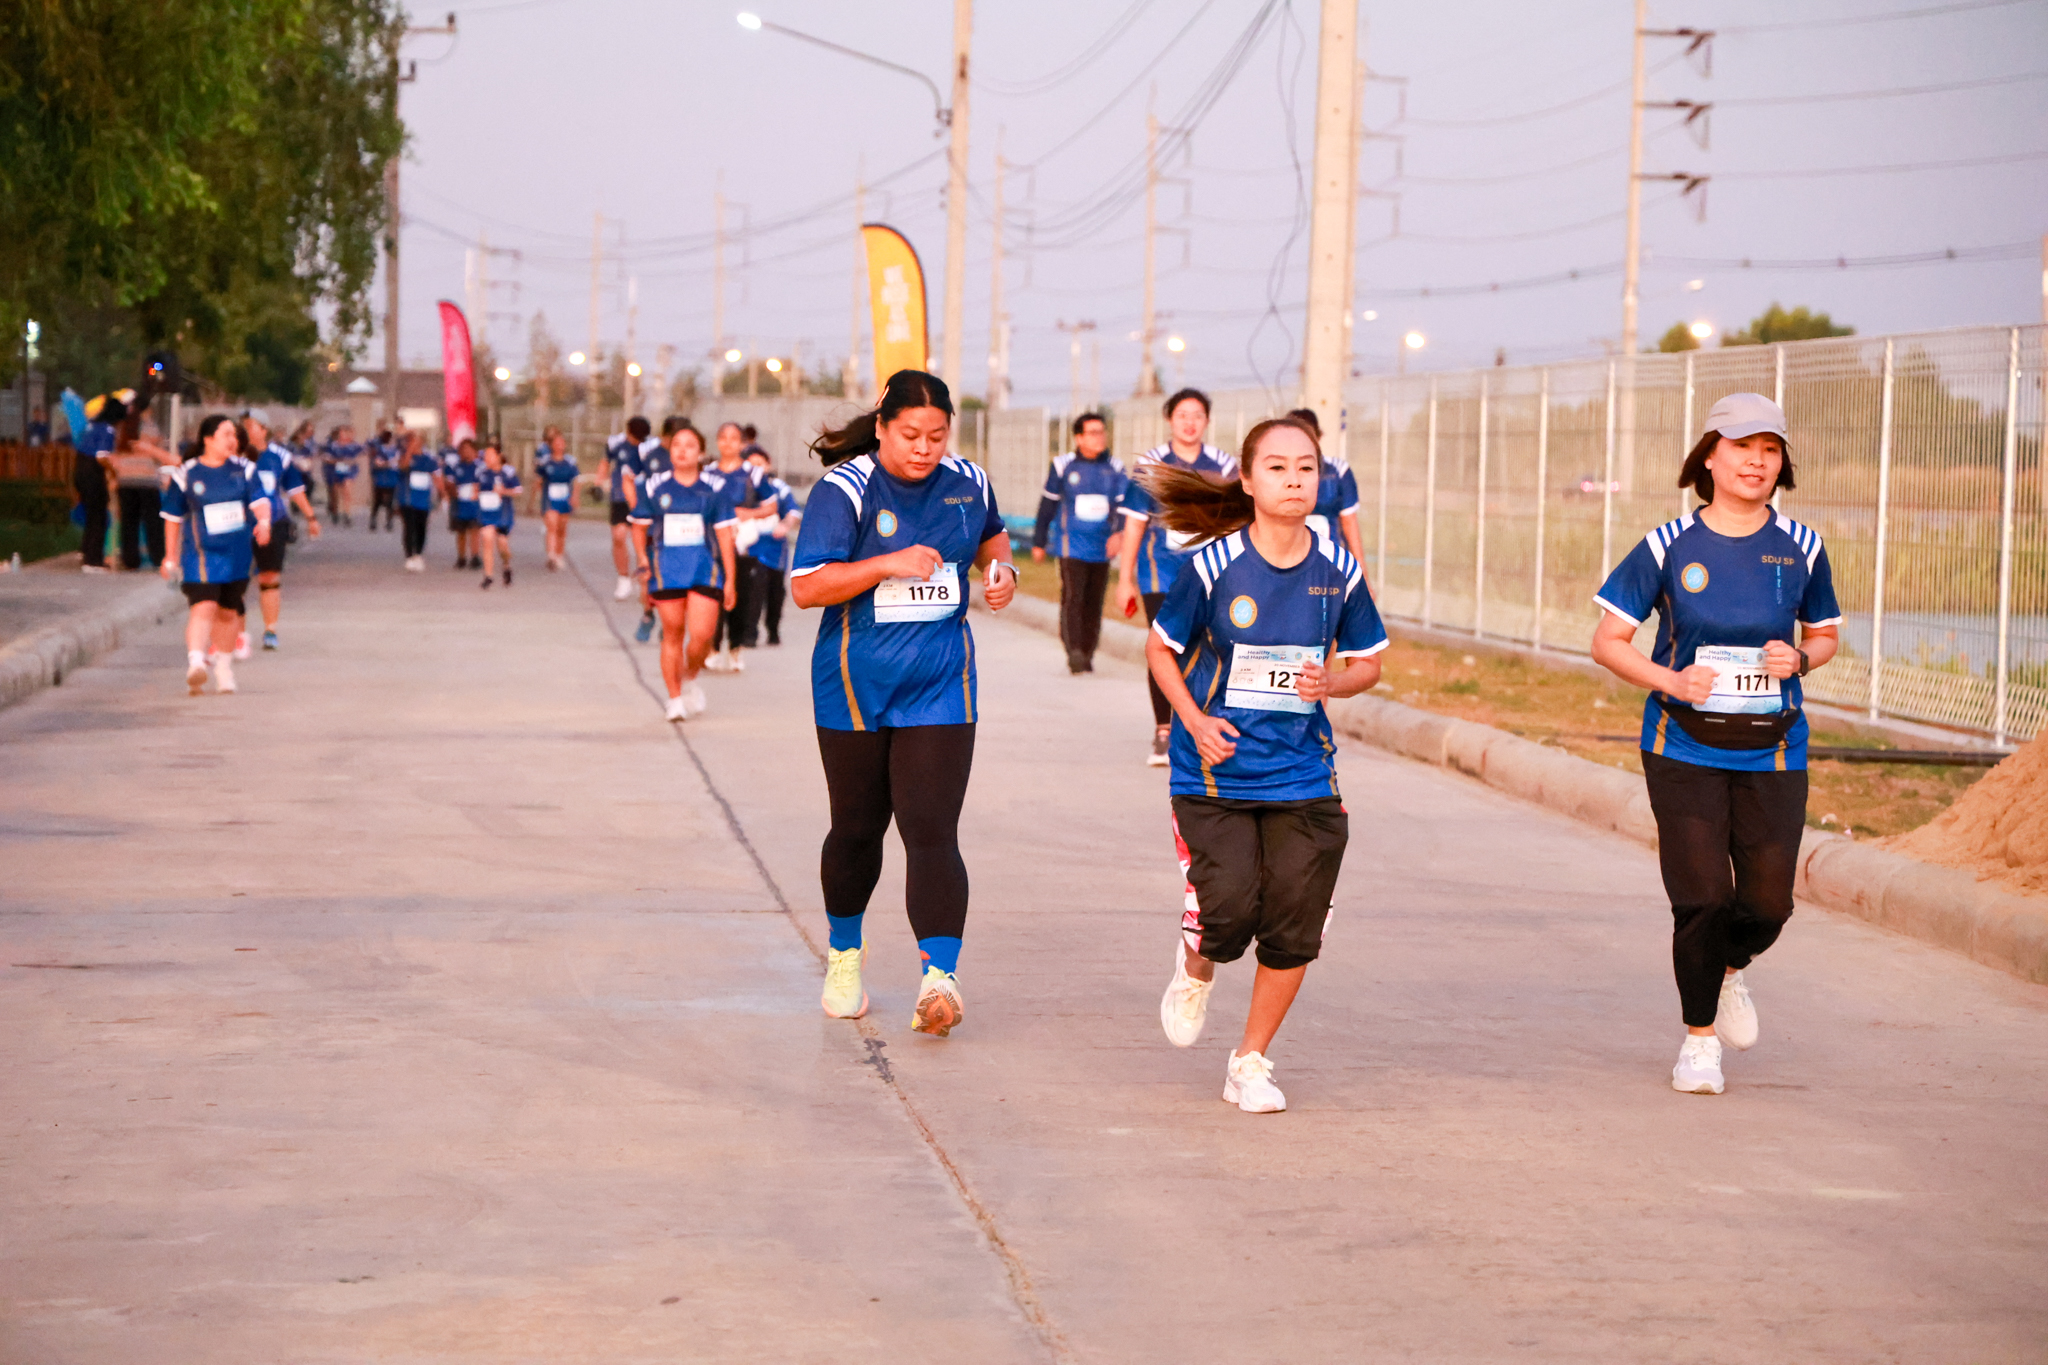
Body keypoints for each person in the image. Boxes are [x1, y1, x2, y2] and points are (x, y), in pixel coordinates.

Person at [1590, 393, 1841, 1097]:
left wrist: (1803, 658)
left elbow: (1823, 633)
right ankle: (1699, 1041)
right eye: (1741, 446)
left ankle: (1731, 969)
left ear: (1782, 462)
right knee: (1702, 897)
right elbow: (1609, 641)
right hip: (1683, 746)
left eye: (1770, 449)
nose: (1756, 461)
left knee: (1766, 906)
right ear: (1709, 456)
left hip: (1774, 750)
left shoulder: (1803, 546)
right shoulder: (1668, 545)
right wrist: (1671, 679)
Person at [1143, 416, 1388, 1114]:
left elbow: (1368, 662)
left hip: (1303, 771)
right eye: (1277, 468)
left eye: (1306, 468)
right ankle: (1197, 963)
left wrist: (1333, 682)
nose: (1294, 480)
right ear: (1248, 481)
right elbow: (1160, 650)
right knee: (1228, 914)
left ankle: (1249, 1060)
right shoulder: (1212, 566)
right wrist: (1193, 721)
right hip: (1215, 770)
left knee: (1296, 918)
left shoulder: (1338, 569)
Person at [790, 369, 1016, 1038]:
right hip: (855, 683)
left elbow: (993, 537)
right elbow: (807, 587)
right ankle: (844, 955)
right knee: (858, 828)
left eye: (937, 436)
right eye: (911, 434)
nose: (924, 448)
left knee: (932, 828)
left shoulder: (968, 482)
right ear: (882, 427)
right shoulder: (846, 489)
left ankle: (939, 979)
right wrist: (886, 563)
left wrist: (1001, 572)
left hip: (941, 683)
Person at [1116, 388, 1237, 765]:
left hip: (1210, 574)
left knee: (1208, 649)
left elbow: (1234, 521)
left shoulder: (1223, 466)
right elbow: (1134, 524)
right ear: (1170, 419)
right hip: (1160, 574)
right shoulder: (1150, 465)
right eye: (1182, 415)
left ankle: (1203, 727)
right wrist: (1124, 579)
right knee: (1164, 647)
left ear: (1207, 421)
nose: (1189, 422)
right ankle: (1164, 731)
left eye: (1197, 415)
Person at [630, 422, 740, 721]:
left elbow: (724, 534)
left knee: (702, 636)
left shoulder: (714, 488)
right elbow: (639, 527)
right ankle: (675, 699)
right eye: (677, 445)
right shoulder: (654, 486)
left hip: (705, 570)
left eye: (690, 446)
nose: (682, 451)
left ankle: (690, 676)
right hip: (666, 571)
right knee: (673, 632)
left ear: (701, 452)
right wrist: (642, 559)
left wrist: (731, 579)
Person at [160, 415, 272, 695]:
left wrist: (264, 522)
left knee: (228, 613)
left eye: (234, 435)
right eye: (226, 434)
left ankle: (223, 666)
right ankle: (196, 662)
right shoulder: (187, 473)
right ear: (208, 439)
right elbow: (172, 517)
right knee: (203, 606)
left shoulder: (245, 470)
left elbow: (260, 501)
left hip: (236, 553)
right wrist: (170, 556)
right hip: (201, 554)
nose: (232, 440)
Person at [1031, 412, 1127, 673]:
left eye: (1102, 432)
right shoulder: (1063, 466)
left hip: (1102, 547)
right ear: (1079, 438)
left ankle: (1088, 651)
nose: (1099, 438)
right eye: (1093, 433)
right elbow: (1047, 505)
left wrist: (1119, 534)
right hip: (1071, 545)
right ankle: (1074, 650)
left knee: (1094, 601)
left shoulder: (1115, 468)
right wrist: (1039, 541)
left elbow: (1123, 506)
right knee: (1073, 597)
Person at [244, 407, 323, 649]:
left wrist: (311, 517)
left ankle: (270, 629)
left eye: (250, 427)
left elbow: (294, 488)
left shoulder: (279, 456)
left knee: (269, 576)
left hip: (274, 522)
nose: (245, 431)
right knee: (236, 579)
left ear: (263, 429)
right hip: (239, 524)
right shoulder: (232, 455)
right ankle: (235, 633)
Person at [702, 421, 772, 673]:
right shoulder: (707, 474)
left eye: (734, 438)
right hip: (713, 547)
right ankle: (711, 649)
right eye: (723, 437)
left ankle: (735, 649)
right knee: (713, 597)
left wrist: (749, 513)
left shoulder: (753, 474)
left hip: (743, 548)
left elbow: (771, 505)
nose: (728, 443)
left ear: (742, 443)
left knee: (740, 599)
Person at [1286, 407, 1367, 564]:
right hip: (1286, 562)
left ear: (1318, 436)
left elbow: (1349, 521)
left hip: (1330, 563)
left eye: (1307, 437)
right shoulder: (1275, 474)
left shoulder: (1337, 471)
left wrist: (1361, 570)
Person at [740, 446, 800, 646]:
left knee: (775, 593)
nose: (756, 469)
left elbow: (792, 511)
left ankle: (773, 628)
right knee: (753, 590)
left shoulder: (778, 487)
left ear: (768, 464)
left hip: (774, 548)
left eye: (760, 464)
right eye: (751, 465)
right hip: (751, 548)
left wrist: (785, 525)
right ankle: (749, 632)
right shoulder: (741, 487)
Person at [110, 411, 177, 572]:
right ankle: (158, 557)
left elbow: (114, 452)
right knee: (153, 522)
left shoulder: (121, 427)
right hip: (147, 480)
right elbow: (159, 451)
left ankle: (130, 560)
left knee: (128, 522)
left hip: (126, 480)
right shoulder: (150, 427)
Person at [73, 390, 126, 573]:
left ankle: (86, 552)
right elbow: (101, 456)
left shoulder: (92, 425)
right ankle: (93, 560)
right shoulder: (108, 430)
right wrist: (113, 471)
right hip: (92, 473)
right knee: (99, 516)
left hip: (80, 469)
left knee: (91, 514)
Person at [606, 418, 651, 600]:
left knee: (643, 541)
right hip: (620, 497)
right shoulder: (616, 444)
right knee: (618, 536)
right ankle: (623, 578)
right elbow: (605, 462)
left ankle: (646, 582)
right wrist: (599, 481)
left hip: (642, 498)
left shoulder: (649, 448)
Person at [535, 427, 584, 572]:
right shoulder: (545, 462)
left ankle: (559, 554)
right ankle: (551, 555)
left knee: (561, 528)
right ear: (551, 445)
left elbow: (577, 480)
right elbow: (539, 480)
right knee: (552, 525)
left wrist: (575, 497)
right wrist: (540, 492)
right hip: (550, 499)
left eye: (561, 442)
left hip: (565, 498)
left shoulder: (570, 462)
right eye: (556, 443)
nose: (559, 445)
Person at [473, 441, 521, 589]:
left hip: (503, 514)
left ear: (499, 456)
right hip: (487, 513)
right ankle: (488, 575)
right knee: (487, 539)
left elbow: (518, 490)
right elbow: (476, 489)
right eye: (485, 455)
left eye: (490, 455)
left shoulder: (508, 472)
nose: (487, 458)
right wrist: (476, 495)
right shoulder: (481, 472)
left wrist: (504, 491)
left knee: (502, 544)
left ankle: (506, 566)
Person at [398, 429, 443, 571]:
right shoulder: (404, 456)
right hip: (407, 498)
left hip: (423, 500)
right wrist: (409, 452)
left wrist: (442, 494)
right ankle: (409, 555)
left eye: (417, 441)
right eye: (412, 441)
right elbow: (403, 466)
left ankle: (418, 553)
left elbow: (436, 477)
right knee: (409, 526)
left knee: (421, 527)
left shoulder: (429, 459)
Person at [446, 437, 482, 569]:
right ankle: (461, 557)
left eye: (468, 449)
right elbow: (449, 482)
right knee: (460, 531)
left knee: (475, 530)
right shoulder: (456, 467)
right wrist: (452, 491)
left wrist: (478, 490)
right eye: (463, 449)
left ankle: (475, 556)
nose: (466, 452)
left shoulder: (480, 467)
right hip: (459, 503)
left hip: (475, 504)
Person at [325, 426, 361, 527]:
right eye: (341, 434)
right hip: (336, 470)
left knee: (347, 490)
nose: (343, 436)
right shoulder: (333, 446)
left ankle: (347, 513)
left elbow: (359, 454)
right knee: (336, 492)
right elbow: (327, 457)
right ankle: (335, 511)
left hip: (348, 470)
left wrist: (351, 461)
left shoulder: (353, 445)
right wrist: (336, 460)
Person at [367, 428, 401, 532]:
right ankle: (373, 519)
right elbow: (377, 463)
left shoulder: (396, 450)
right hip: (381, 477)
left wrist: (389, 463)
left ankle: (389, 521)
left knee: (390, 501)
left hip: (392, 477)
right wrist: (389, 463)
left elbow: (398, 462)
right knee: (378, 500)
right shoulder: (379, 450)